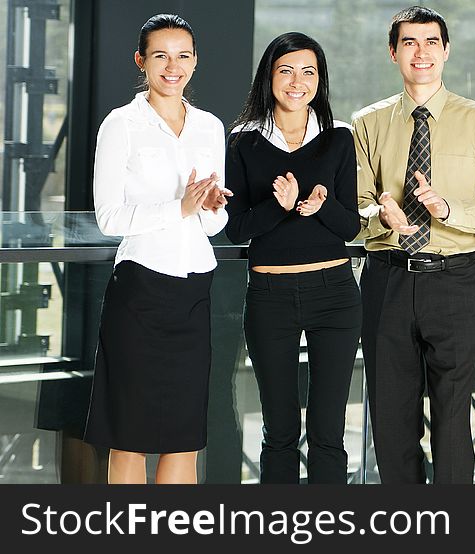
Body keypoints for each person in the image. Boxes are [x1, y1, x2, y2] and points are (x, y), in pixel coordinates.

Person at [352, 5, 475, 484]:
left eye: (430, 43)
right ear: (393, 52)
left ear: (446, 51)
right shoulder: (367, 123)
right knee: (391, 417)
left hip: (456, 281)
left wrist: (448, 211)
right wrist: (380, 215)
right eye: (409, 43)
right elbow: (356, 208)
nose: (420, 53)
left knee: (452, 416)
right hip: (387, 281)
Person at [84, 13, 230, 484]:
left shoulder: (209, 126)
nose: (173, 66)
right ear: (141, 61)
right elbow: (108, 218)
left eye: (183, 55)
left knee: (184, 436)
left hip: (195, 290)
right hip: (140, 291)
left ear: (195, 62)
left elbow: (212, 223)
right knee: (131, 435)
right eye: (161, 56)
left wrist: (208, 206)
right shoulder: (121, 124)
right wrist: (179, 207)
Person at [225, 32, 361, 484]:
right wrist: (277, 207)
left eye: (308, 72)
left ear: (319, 81)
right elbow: (237, 229)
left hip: (335, 294)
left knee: (328, 431)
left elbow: (351, 228)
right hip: (270, 295)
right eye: (286, 70)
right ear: (269, 76)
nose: (297, 81)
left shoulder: (340, 138)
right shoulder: (243, 142)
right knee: (278, 429)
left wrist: (322, 207)